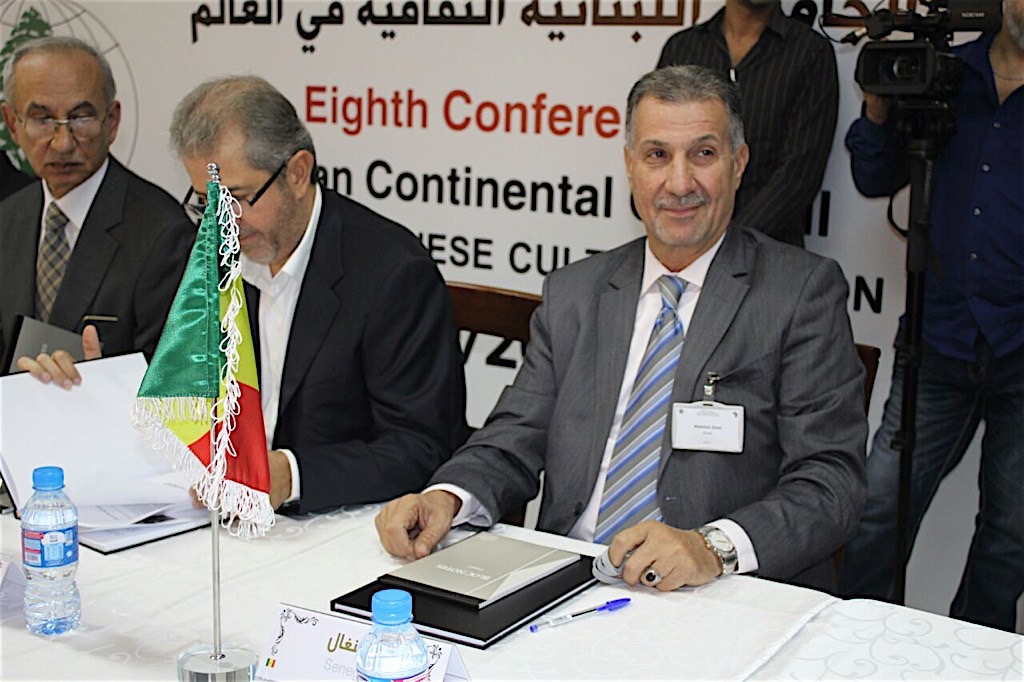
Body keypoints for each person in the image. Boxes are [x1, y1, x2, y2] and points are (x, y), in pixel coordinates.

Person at [376, 65, 866, 593]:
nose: (680, 183)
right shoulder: (576, 291)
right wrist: (447, 498)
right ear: (630, 166)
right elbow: (513, 435)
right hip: (567, 580)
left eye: (703, 154)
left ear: (739, 163)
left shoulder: (799, 292)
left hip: (715, 591)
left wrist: (712, 547)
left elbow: (830, 481)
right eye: (657, 155)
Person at [169, 75, 469, 513]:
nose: (221, 222)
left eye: (238, 198)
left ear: (297, 173)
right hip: (221, 515)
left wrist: (291, 475)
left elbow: (420, 447)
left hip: (335, 521)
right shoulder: (212, 253)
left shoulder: (392, 275)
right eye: (205, 201)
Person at [839, 0, 1024, 632]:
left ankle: (975, 659)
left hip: (1020, 349)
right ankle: (846, 640)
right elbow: (873, 176)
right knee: (879, 508)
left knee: (1010, 535)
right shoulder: (945, 73)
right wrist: (877, 108)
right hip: (937, 339)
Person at [0, 37, 194, 380]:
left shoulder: (163, 234)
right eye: (42, 119)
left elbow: (175, 383)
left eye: (81, 118)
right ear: (13, 123)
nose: (63, 143)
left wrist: (100, 384)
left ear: (112, 121)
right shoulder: (7, 219)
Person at [657, 0, 837, 247]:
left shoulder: (810, 52)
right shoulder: (683, 48)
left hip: (769, 249)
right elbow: (659, 146)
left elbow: (800, 174)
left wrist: (728, 243)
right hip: (683, 244)